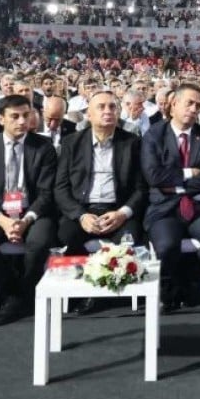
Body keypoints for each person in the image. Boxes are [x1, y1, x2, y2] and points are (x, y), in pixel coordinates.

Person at [54, 90, 146, 312]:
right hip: (83, 210)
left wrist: (123, 213)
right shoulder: (71, 143)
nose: (108, 111)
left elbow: (141, 188)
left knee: (130, 240)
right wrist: (81, 215)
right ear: (88, 115)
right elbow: (61, 188)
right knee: (65, 236)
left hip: (117, 210)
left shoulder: (132, 143)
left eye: (112, 107)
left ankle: (107, 294)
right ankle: (82, 291)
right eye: (101, 107)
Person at [0, 94, 59, 327]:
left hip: (34, 212)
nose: (22, 121)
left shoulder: (44, 147)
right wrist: (3, 221)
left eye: (26, 115)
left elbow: (46, 193)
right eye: (15, 116)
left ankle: (19, 296)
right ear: (1, 119)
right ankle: (16, 294)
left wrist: (26, 220)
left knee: (40, 241)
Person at [143, 84, 200, 311]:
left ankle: (188, 278)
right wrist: (190, 173)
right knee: (166, 245)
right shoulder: (154, 134)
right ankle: (168, 289)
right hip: (164, 208)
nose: (194, 109)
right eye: (189, 103)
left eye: (198, 105)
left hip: (198, 207)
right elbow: (154, 176)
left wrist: (176, 186)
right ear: (173, 105)